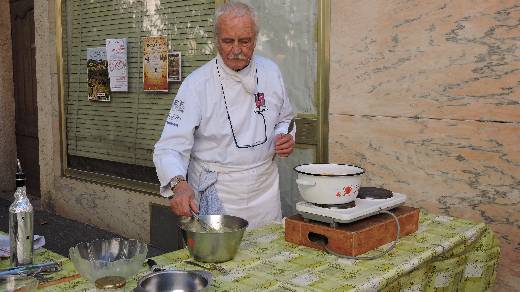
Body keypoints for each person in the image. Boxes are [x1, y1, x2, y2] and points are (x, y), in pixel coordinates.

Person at [153, 1, 295, 229]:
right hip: (219, 190)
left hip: (264, 190)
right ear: (216, 39)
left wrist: (284, 137)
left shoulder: (271, 72)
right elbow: (169, 147)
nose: (236, 49)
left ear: (256, 40)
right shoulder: (196, 85)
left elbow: (285, 119)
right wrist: (179, 185)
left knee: (268, 255)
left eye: (245, 41)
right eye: (228, 41)